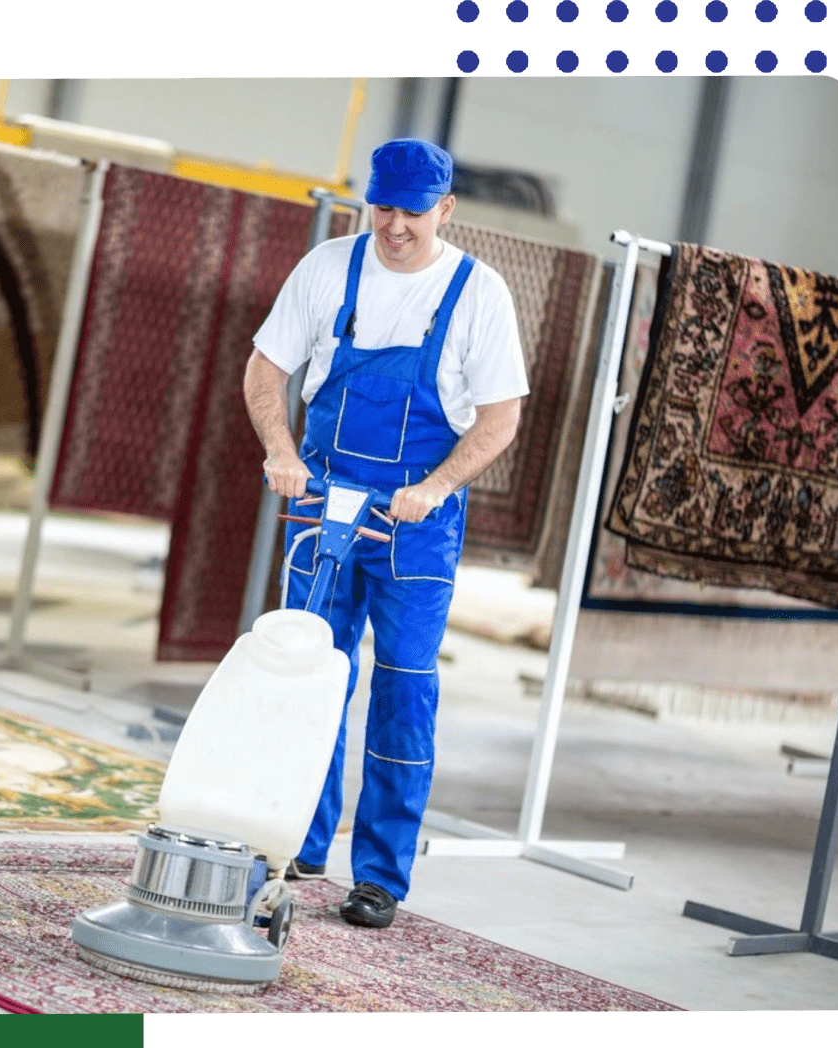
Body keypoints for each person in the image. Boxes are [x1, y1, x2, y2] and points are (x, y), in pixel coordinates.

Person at [243, 138, 528, 929]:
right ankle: (293, 838)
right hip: (323, 500)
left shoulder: (479, 294)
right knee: (309, 669)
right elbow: (267, 368)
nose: (395, 226)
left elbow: (501, 418)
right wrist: (280, 451)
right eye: (382, 208)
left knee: (403, 685)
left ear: (446, 208)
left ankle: (380, 876)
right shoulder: (328, 268)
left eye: (412, 211)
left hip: (416, 524)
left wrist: (433, 488)